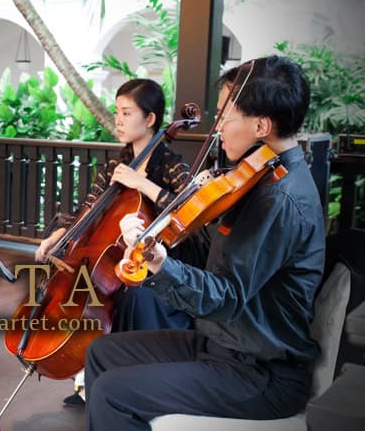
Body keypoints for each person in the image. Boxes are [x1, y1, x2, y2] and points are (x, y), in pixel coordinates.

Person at [84, 55, 325, 430]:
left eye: (226, 116)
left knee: (111, 392)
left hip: (260, 372)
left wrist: (162, 264)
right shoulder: (259, 176)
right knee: (102, 351)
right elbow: (215, 259)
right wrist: (157, 240)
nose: (218, 128)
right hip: (222, 344)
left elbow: (225, 297)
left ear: (261, 125)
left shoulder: (280, 198)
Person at [34, 78, 204, 407]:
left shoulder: (171, 164)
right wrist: (59, 234)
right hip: (116, 258)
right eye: (117, 112)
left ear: (150, 119)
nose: (119, 120)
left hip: (158, 266)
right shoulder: (117, 163)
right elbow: (89, 207)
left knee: (132, 296)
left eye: (127, 113)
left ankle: (129, 386)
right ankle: (91, 377)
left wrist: (143, 184)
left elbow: (189, 215)